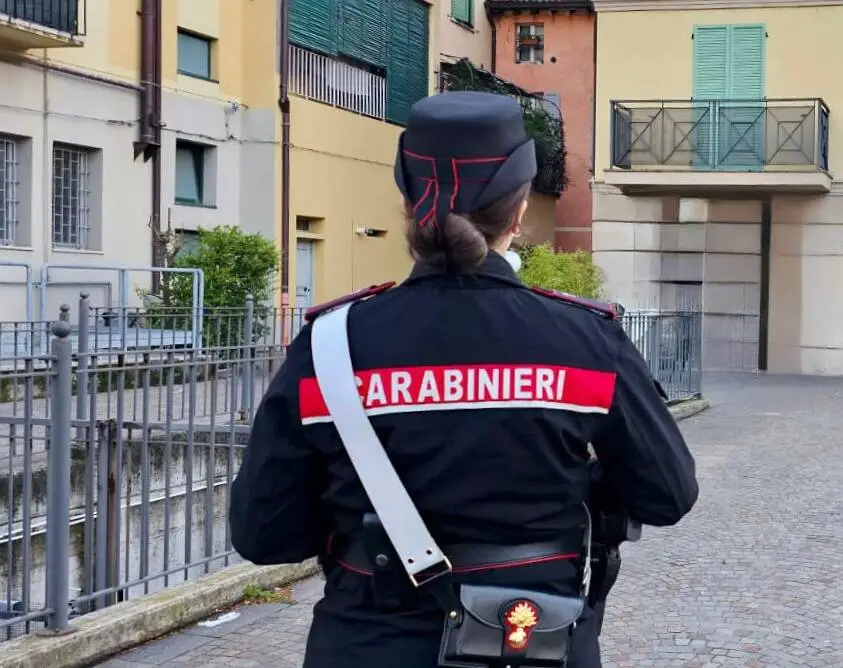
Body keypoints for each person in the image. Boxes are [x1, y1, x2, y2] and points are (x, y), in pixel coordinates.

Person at [229, 91, 699, 668]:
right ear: (521, 207)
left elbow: (264, 535)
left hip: (366, 642)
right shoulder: (585, 341)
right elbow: (668, 494)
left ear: (407, 202)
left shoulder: (329, 347)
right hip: (534, 640)